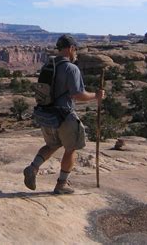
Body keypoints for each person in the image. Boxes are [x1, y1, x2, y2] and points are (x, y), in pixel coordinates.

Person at [24, 34, 105, 194]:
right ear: (70, 49)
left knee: (52, 145)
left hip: (46, 114)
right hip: (63, 115)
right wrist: (96, 96)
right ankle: (62, 185)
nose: (76, 52)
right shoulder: (71, 68)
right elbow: (78, 95)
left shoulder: (49, 64)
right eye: (75, 49)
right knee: (71, 148)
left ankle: (32, 168)